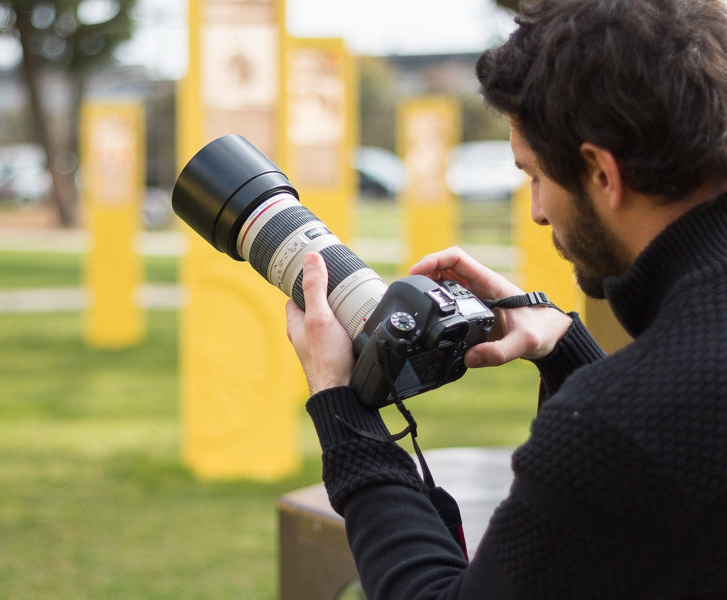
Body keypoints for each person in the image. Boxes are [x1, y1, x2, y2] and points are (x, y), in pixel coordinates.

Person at [284, 0, 727, 597]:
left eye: (536, 176)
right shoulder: (662, 402)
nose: (539, 211)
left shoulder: (616, 426)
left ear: (601, 172)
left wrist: (343, 412)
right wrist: (564, 349)